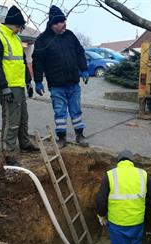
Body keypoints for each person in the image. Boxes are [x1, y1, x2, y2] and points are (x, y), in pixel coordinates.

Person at [0, 6, 39, 166]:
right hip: (8, 87)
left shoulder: (16, 39)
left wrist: (28, 82)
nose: (20, 30)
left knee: (23, 117)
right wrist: (4, 87)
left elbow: (22, 62)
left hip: (19, 85)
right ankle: (8, 152)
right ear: (14, 24)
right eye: (20, 26)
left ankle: (24, 143)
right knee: (11, 120)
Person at [32, 5, 89, 148]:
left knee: (76, 110)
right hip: (57, 85)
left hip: (73, 83)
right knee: (60, 112)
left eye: (64, 21)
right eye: (60, 22)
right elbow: (37, 62)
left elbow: (80, 52)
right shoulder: (43, 40)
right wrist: (38, 81)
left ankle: (80, 135)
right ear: (53, 24)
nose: (64, 24)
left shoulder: (70, 35)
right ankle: (62, 138)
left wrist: (84, 69)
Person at [96, 150, 151, 244]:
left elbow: (101, 200)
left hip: (117, 223)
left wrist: (102, 214)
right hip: (137, 221)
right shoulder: (142, 174)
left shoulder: (110, 175)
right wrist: (142, 199)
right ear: (132, 162)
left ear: (118, 161)